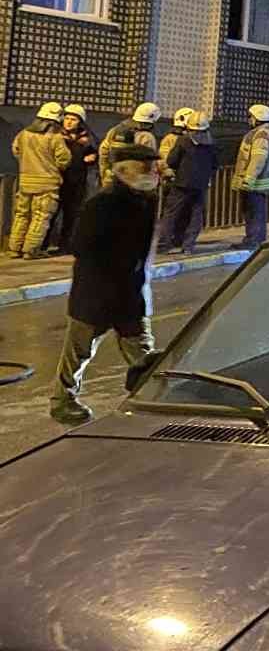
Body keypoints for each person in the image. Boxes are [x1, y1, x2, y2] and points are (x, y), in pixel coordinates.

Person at [50, 142, 162, 426]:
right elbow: (80, 245)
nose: (152, 171)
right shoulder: (101, 203)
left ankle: (157, 401)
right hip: (97, 293)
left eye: (152, 166)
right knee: (78, 352)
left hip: (130, 294)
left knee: (144, 355)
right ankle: (62, 401)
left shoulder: (147, 200)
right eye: (145, 166)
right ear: (123, 170)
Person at [8, 103, 72, 260]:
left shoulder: (23, 134)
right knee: (40, 217)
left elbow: (16, 150)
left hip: (25, 181)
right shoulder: (55, 138)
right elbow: (64, 160)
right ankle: (31, 250)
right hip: (47, 184)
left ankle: (14, 248)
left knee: (21, 215)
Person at [157, 112, 217, 256]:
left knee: (171, 213)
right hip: (201, 184)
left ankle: (165, 244)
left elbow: (171, 160)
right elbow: (215, 164)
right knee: (196, 214)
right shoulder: (212, 143)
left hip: (181, 183)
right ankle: (188, 245)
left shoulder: (183, 141)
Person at [49, 104, 98, 255]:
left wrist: (92, 158)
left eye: (73, 119)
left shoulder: (86, 138)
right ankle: (44, 244)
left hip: (76, 181)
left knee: (72, 215)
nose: (69, 122)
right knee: (51, 214)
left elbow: (94, 152)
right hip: (58, 180)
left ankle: (66, 245)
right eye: (67, 118)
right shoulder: (55, 135)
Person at [232, 104, 269, 251]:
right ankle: (255, 239)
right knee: (255, 212)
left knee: (254, 213)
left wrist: (249, 179)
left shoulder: (260, 135)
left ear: (258, 118)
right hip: (257, 183)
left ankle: (253, 240)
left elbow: (258, 159)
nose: (249, 119)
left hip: (255, 184)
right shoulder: (262, 134)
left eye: (251, 117)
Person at [98, 102, 160, 188]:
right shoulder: (146, 136)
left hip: (112, 177)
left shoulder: (116, 130)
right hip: (134, 183)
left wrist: (104, 174)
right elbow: (149, 162)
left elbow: (103, 151)